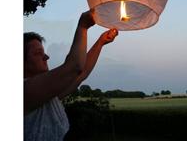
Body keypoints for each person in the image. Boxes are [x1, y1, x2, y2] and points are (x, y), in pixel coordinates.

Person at [24, 10, 118, 141]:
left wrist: (101, 42)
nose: (46, 56)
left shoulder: (46, 95)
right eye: (38, 53)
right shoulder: (24, 92)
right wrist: (82, 27)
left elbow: (81, 73)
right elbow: (74, 67)